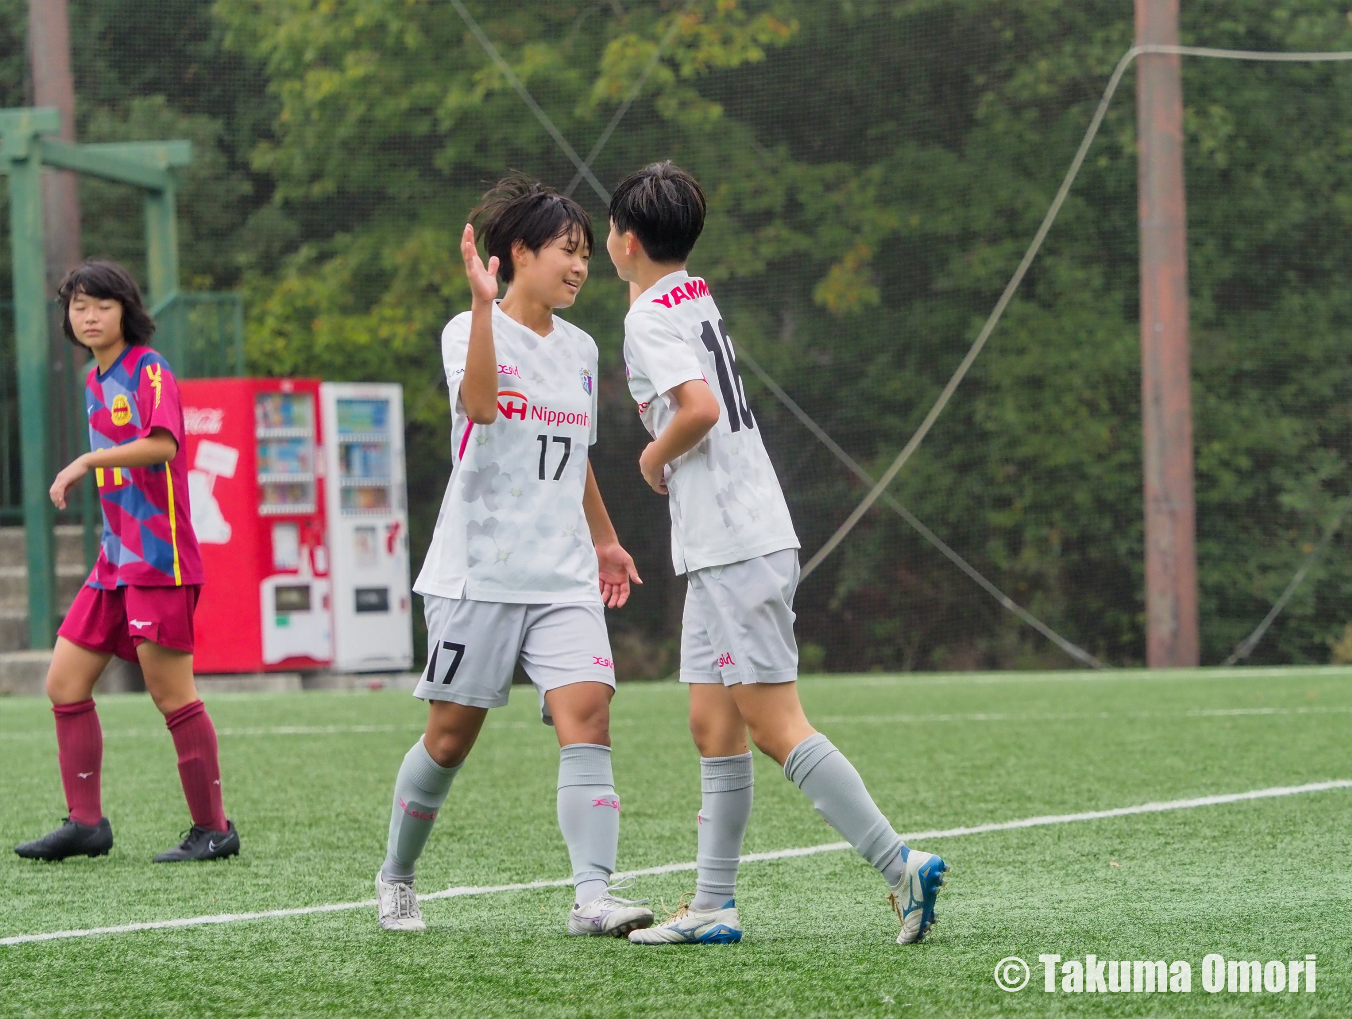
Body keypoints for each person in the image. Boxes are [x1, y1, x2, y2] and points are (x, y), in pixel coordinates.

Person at [605, 162, 947, 946]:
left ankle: (901, 864)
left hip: (734, 542)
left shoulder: (648, 316)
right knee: (710, 720)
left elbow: (698, 407)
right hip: (725, 543)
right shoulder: (691, 291)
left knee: (772, 721)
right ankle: (715, 905)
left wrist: (652, 460)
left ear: (624, 241)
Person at [375, 176, 653, 939]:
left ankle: (592, 896)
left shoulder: (585, 349)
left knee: (589, 711)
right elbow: (481, 406)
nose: (580, 267)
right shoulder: (468, 328)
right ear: (518, 253)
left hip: (563, 572)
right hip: (481, 573)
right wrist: (481, 304)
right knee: (449, 738)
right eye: (567, 251)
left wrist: (603, 537)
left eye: (587, 254)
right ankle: (397, 875)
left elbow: (576, 455)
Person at [14, 259, 237, 864]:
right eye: (78, 306)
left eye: (101, 305)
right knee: (63, 682)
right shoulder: (94, 379)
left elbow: (163, 445)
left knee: (172, 695)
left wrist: (86, 462)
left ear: (125, 311)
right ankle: (87, 825)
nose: (88, 316)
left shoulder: (149, 369)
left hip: (158, 560)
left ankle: (212, 830)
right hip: (114, 561)